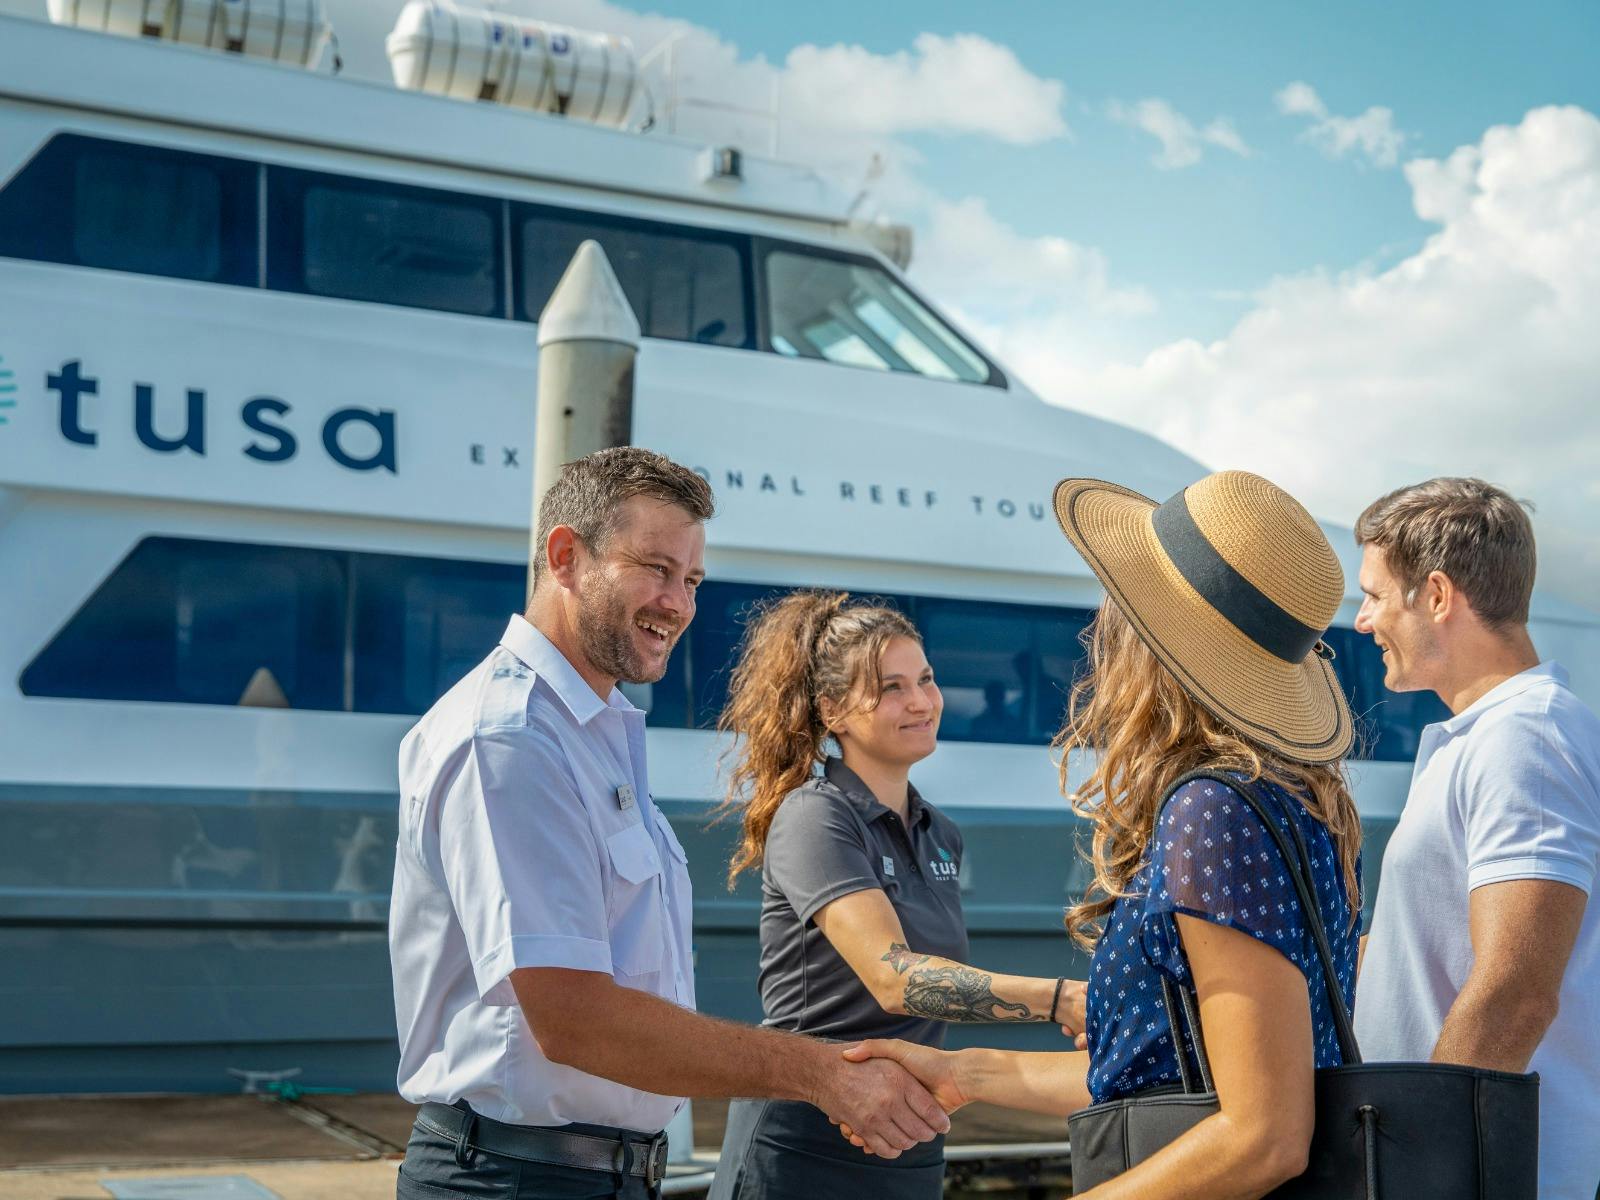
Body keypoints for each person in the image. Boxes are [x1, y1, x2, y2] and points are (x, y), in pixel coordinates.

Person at [388, 448, 949, 1200]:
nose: (678, 604)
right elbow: (573, 1018)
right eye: (655, 568)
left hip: (591, 1176)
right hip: (516, 1179)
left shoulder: (594, 733)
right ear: (565, 557)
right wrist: (817, 1073)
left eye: (690, 581)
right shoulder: (510, 739)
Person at [843, 470, 1365, 1200]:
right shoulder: (1302, 803)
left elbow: (1263, 1135)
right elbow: (1169, 1079)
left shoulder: (1209, 811)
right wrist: (970, 1072)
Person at [707, 592, 1087, 1199]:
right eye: (890, 688)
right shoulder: (814, 816)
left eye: (927, 680)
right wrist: (1060, 999)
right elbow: (897, 979)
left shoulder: (940, 833)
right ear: (832, 711)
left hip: (908, 1138)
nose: (921, 702)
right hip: (804, 1143)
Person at [1350, 477, 1600, 1200]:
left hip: (1479, 1179)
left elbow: (1515, 991)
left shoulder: (1526, 736)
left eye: (1373, 594)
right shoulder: (1492, 736)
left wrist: (1417, 1167)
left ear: (1435, 594)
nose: (1363, 621)